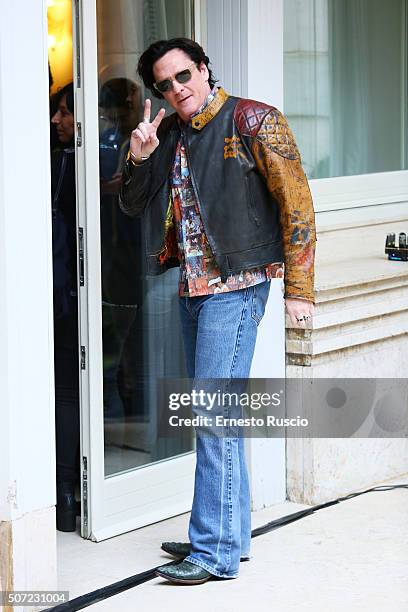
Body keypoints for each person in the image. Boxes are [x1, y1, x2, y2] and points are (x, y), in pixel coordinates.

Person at [119, 38, 316, 584]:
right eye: (164, 84)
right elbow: (133, 205)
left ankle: (212, 552)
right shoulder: (172, 136)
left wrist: (300, 291)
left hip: (237, 284)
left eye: (183, 76)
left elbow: (297, 206)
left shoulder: (253, 120)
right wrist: (138, 156)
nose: (176, 89)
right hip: (194, 288)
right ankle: (227, 531)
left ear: (204, 69)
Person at [50, 82, 80, 531]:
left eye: (63, 111)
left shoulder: (79, 161)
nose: (56, 120)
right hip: (68, 291)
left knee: (68, 391)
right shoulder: (60, 160)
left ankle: (68, 491)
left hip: (73, 294)